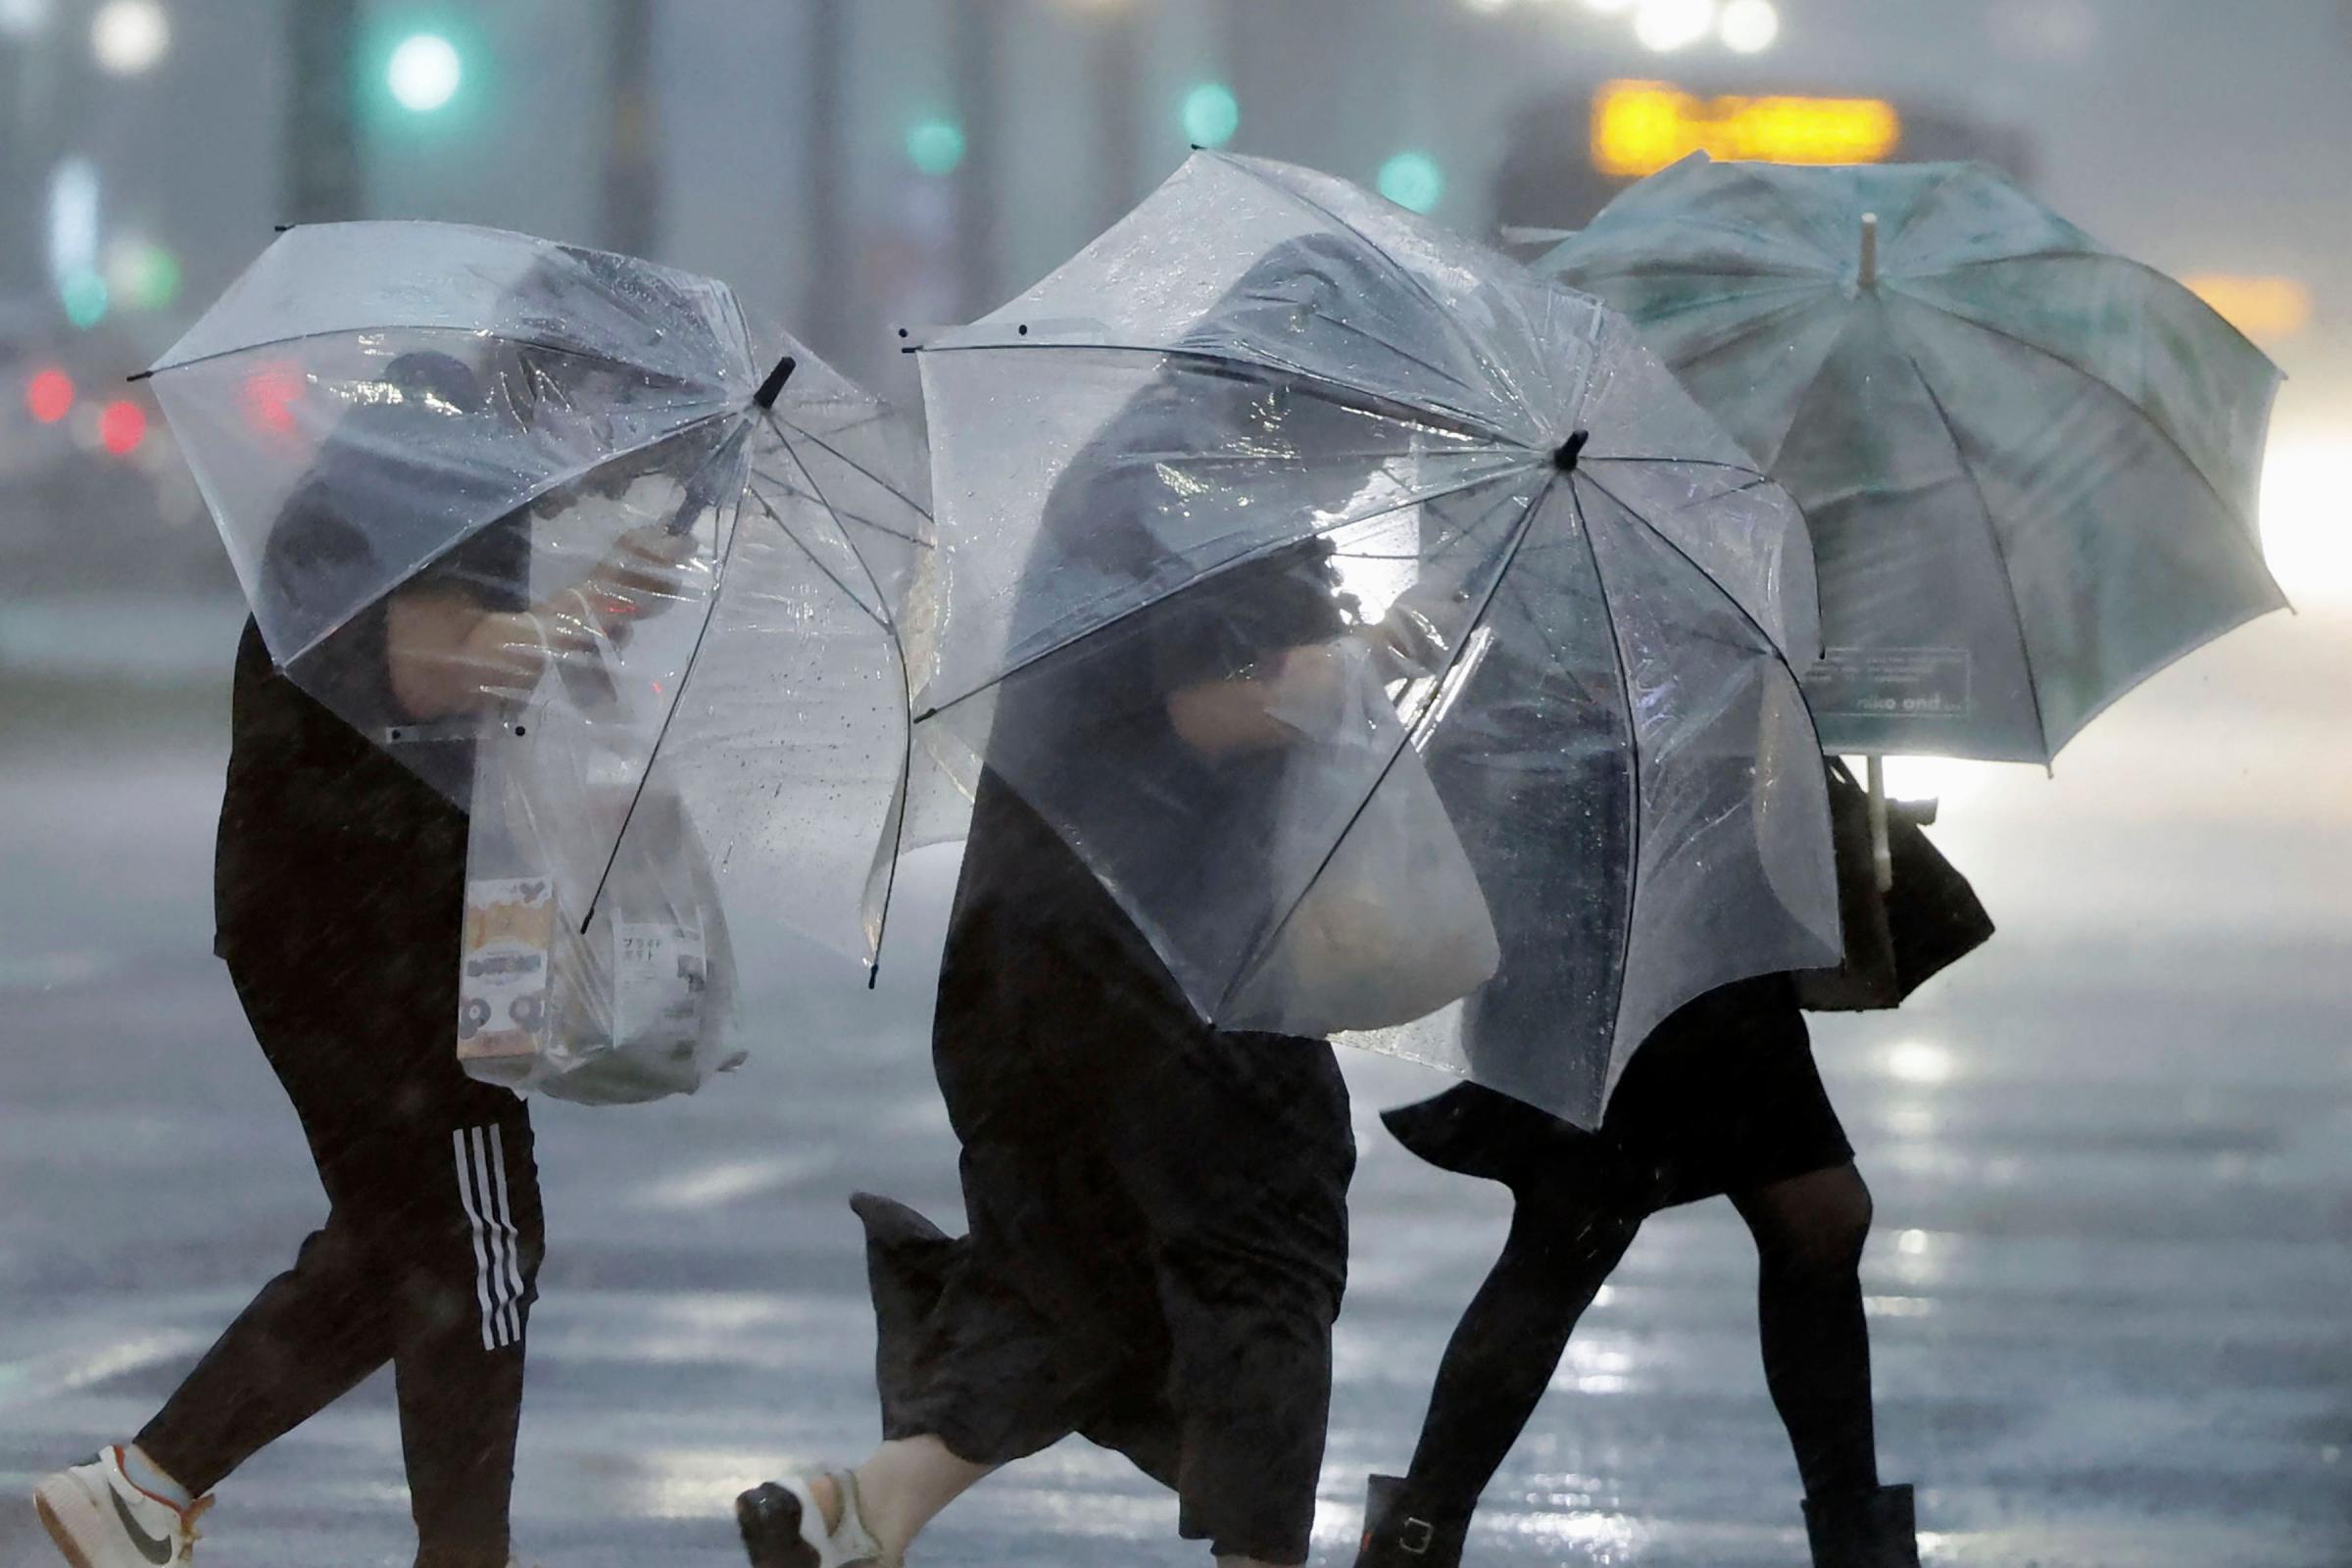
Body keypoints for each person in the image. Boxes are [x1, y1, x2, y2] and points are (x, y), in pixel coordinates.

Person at [734, 238, 1446, 1568]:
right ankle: (1260, 1557)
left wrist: (1354, 656)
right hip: (1162, 937)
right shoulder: (1203, 488)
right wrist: (1364, 658)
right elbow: (1212, 708)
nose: (1370, 459)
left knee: (1074, 1257)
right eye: (1370, 425)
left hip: (1028, 933)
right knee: (1267, 1243)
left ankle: (865, 1512)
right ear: (1307, 391)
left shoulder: (1150, 463)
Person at [32, 347, 693, 1568]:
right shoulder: (432, 463)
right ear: (569, 388)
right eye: (616, 417)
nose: (611, 458)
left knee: (406, 1236)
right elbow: (429, 659)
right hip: (371, 916)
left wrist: (594, 609)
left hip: (332, 906)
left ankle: (147, 1487)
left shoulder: (436, 452)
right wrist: (595, 601)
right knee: (478, 1237)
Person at [1353, 766, 1991, 1568]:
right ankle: (1417, 1534)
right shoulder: (1564, 648)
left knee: (1807, 1215)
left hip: (1708, 907)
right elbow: (1510, 742)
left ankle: (1854, 1541)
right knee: (1577, 1235)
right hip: (1606, 915)